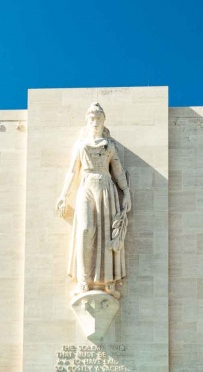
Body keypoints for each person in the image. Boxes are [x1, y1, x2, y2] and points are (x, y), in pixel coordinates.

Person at [56, 103, 132, 298]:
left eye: (99, 118)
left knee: (107, 233)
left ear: (103, 121)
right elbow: (73, 171)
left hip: (106, 187)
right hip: (86, 186)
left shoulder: (110, 146)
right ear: (87, 121)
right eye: (92, 118)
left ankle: (107, 281)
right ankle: (84, 278)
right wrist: (64, 195)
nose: (95, 122)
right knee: (85, 228)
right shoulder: (80, 145)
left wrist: (126, 192)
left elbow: (118, 171)